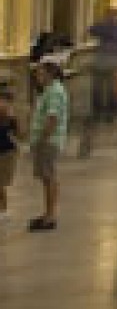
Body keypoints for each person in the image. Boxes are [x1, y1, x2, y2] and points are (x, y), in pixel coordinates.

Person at [25, 57, 68, 230]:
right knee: (46, 177)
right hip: (45, 141)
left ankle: (50, 216)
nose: (37, 75)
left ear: (50, 72)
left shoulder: (55, 91)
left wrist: (43, 138)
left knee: (49, 177)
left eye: (41, 72)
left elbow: (52, 118)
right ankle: (48, 213)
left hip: (48, 142)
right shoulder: (49, 90)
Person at [0, 82, 18, 225]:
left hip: (6, 151)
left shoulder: (9, 115)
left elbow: (16, 131)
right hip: (4, 149)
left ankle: (4, 211)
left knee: (1, 183)